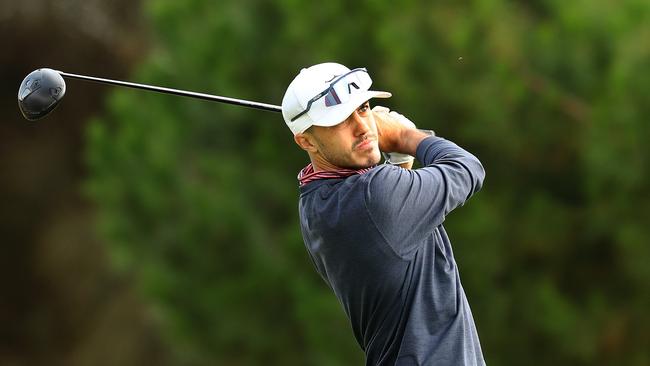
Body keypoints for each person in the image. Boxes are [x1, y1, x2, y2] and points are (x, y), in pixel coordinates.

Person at [281, 62, 486, 365]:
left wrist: (397, 160)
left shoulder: (314, 203)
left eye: (363, 108)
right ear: (306, 141)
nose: (363, 127)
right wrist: (405, 138)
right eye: (340, 120)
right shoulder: (374, 196)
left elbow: (396, 232)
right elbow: (467, 169)